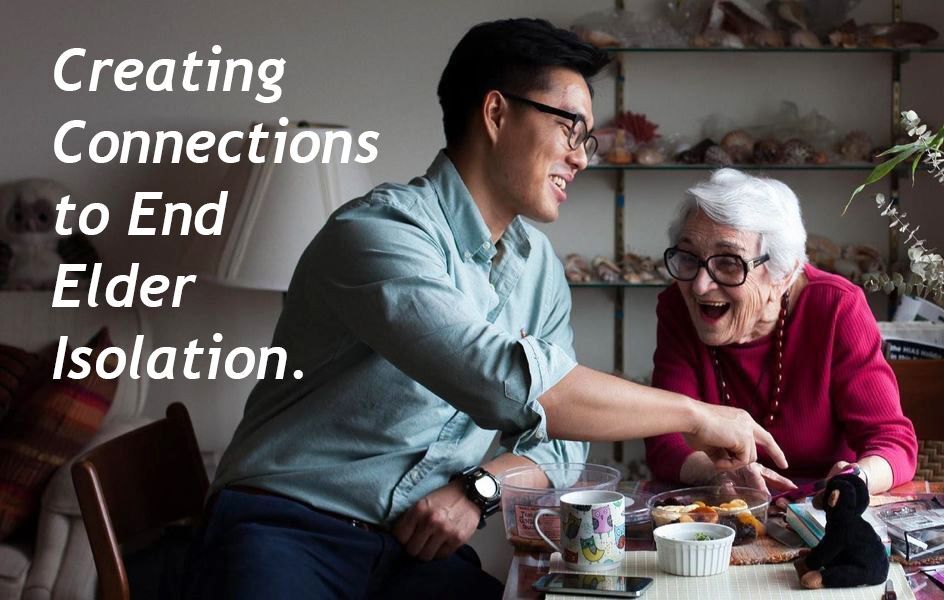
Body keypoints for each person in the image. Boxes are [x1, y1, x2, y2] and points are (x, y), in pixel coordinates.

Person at [183, 20, 785, 599]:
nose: (581, 157)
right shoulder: (377, 233)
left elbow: (560, 446)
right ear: (496, 113)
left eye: (587, 139)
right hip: (287, 525)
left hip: (413, 551)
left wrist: (480, 487)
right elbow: (506, 382)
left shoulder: (539, 267)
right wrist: (696, 415)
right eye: (570, 129)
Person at [644, 169, 917, 497]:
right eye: (689, 258)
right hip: (722, 509)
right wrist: (719, 475)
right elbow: (664, 437)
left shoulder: (836, 308)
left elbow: (892, 442)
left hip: (822, 510)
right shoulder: (678, 305)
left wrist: (857, 479)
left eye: (729, 263)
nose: (701, 286)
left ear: (783, 273)